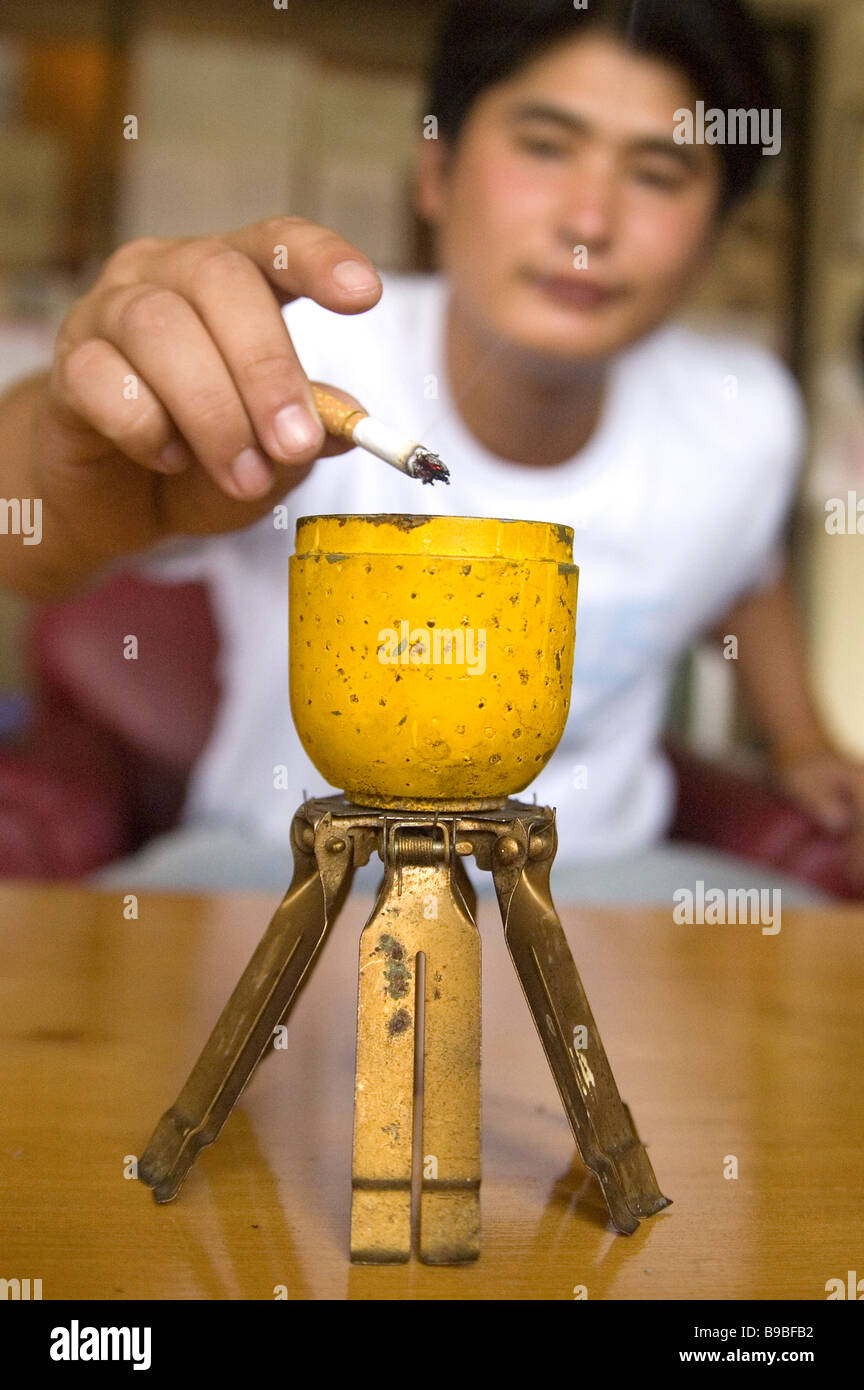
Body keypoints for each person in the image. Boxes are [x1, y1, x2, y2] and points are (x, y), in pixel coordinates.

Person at [1, 0, 862, 887]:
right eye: (545, 146)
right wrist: (71, 455)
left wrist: (801, 737)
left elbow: (745, 570)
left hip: (595, 883)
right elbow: (20, 539)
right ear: (436, 172)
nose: (590, 223)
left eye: (659, 172)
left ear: (718, 226)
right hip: (287, 866)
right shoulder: (294, 354)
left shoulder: (744, 416)